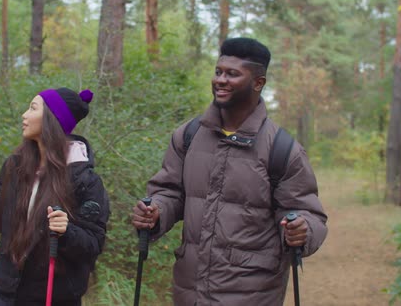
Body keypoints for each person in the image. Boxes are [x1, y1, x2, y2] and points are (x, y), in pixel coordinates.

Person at [131, 37, 328, 305]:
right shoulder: (189, 136)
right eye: (218, 71)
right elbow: (170, 193)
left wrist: (302, 230)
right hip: (190, 291)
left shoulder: (283, 149)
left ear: (259, 83)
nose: (220, 80)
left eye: (232, 74)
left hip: (253, 294)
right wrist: (156, 211)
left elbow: (309, 213)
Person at [0, 87, 109, 306]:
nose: (24, 115)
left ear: (52, 120)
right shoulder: (15, 167)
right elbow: (0, 219)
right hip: (8, 295)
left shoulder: (85, 181)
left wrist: (66, 232)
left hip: (55, 299)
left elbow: (93, 245)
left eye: (32, 108)